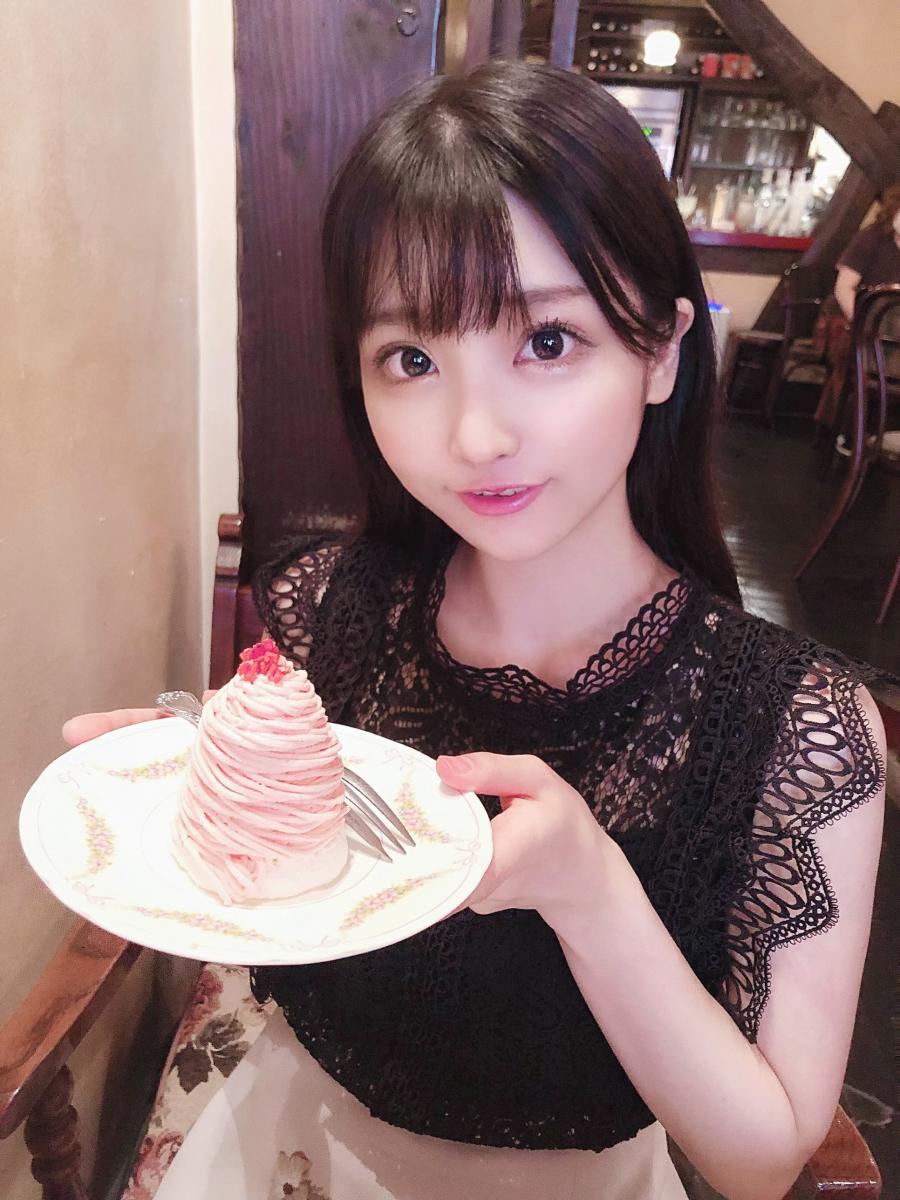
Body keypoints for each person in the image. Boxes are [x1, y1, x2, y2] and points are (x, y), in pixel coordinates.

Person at [64, 62, 887, 1200]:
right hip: (286, 1151)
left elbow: (759, 1160)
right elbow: (281, 933)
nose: (476, 436)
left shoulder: (795, 725)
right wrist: (198, 813)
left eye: (547, 343)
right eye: (412, 360)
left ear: (660, 350)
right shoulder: (331, 615)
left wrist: (589, 889)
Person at [814, 183, 900, 435]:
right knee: (860, 346)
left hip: (893, 323)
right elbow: (844, 289)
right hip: (854, 315)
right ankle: (850, 430)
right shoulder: (872, 238)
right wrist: (865, 323)